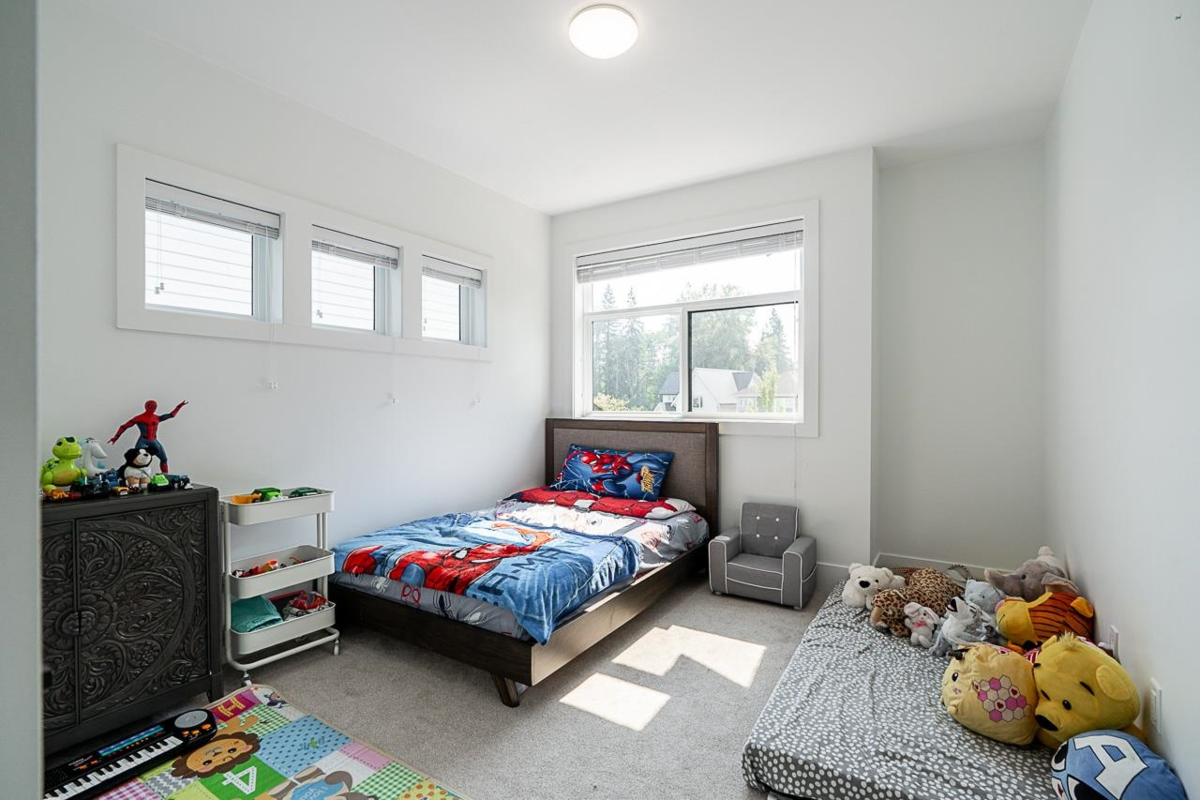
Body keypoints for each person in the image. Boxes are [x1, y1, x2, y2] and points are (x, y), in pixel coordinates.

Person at [109, 399, 188, 473]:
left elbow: (171, 415)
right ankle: (130, 477)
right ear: (146, 407)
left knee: (164, 459)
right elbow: (124, 426)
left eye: (153, 407)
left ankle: (165, 477)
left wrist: (179, 406)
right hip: (143, 442)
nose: (152, 408)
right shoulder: (139, 418)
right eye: (150, 406)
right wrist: (116, 437)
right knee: (137, 461)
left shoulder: (157, 418)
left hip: (154, 441)